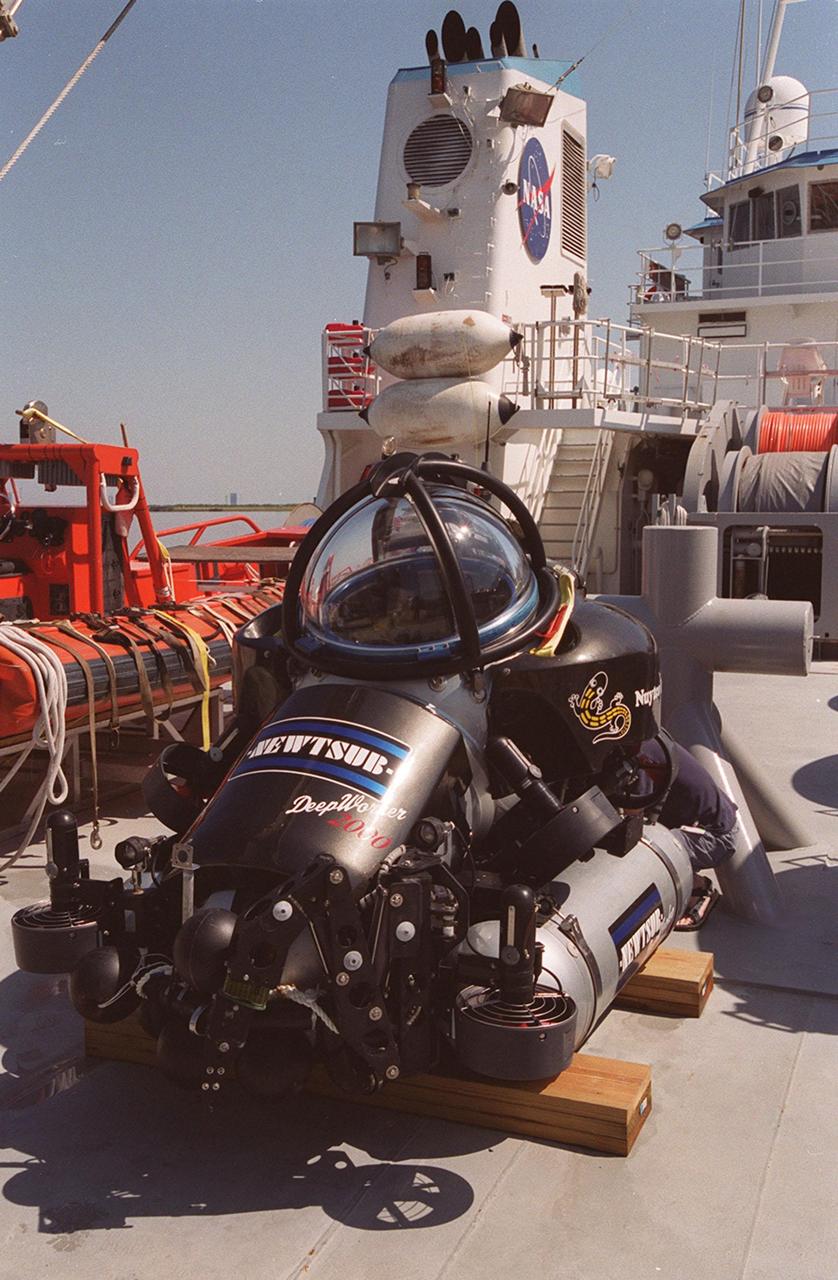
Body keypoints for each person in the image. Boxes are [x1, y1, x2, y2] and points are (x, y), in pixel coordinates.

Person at [634, 736, 738, 930]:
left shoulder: (640, 757)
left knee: (645, 848)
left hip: (715, 835)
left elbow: (634, 819)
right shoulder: (646, 737)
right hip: (697, 820)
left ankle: (698, 890)